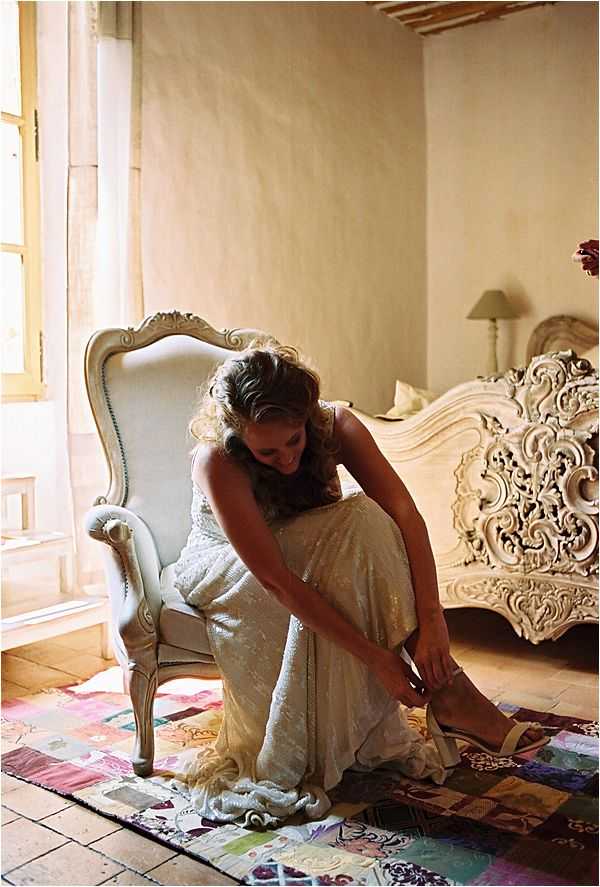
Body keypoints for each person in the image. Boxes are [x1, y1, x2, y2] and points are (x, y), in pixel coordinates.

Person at [173, 344, 546, 827]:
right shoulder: (217, 460)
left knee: (370, 520)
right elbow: (276, 579)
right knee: (357, 525)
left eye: (294, 440)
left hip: (306, 548)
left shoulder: (336, 425)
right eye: (267, 451)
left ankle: (448, 687)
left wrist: (435, 621)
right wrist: (378, 659)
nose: (286, 459)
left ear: (307, 416)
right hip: (234, 567)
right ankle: (452, 694)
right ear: (238, 434)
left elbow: (406, 513)